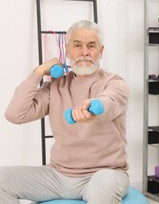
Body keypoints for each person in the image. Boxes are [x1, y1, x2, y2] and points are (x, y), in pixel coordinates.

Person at [0, 20, 130, 203]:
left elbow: (109, 102)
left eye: (91, 46)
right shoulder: (55, 86)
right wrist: (37, 72)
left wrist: (92, 109)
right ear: (67, 50)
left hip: (103, 173)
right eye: (77, 45)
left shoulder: (115, 83)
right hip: (58, 175)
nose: (85, 52)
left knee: (105, 183)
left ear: (101, 51)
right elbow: (15, 115)